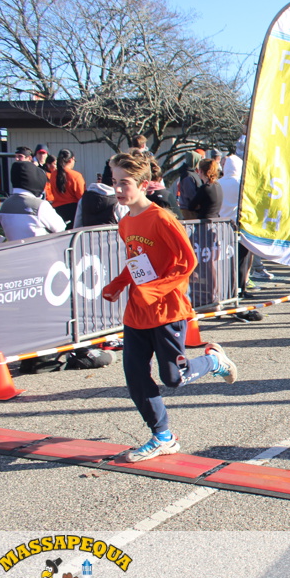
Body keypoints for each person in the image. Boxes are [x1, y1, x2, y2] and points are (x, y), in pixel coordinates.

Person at [101, 152, 238, 463]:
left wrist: (154, 290)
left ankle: (214, 361)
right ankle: (162, 436)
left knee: (173, 378)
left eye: (124, 183)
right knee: (135, 377)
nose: (118, 189)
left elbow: (188, 262)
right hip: (137, 312)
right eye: (115, 182)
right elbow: (137, 262)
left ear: (143, 184)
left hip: (167, 311)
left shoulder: (162, 218)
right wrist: (119, 283)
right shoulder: (126, 222)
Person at [0, 156, 64, 241]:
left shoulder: (4, 206)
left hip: (14, 248)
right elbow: (60, 228)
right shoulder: (39, 205)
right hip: (40, 247)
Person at [45, 149, 86, 228]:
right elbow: (81, 197)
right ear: (71, 159)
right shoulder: (76, 175)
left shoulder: (53, 175)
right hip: (74, 211)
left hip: (57, 210)